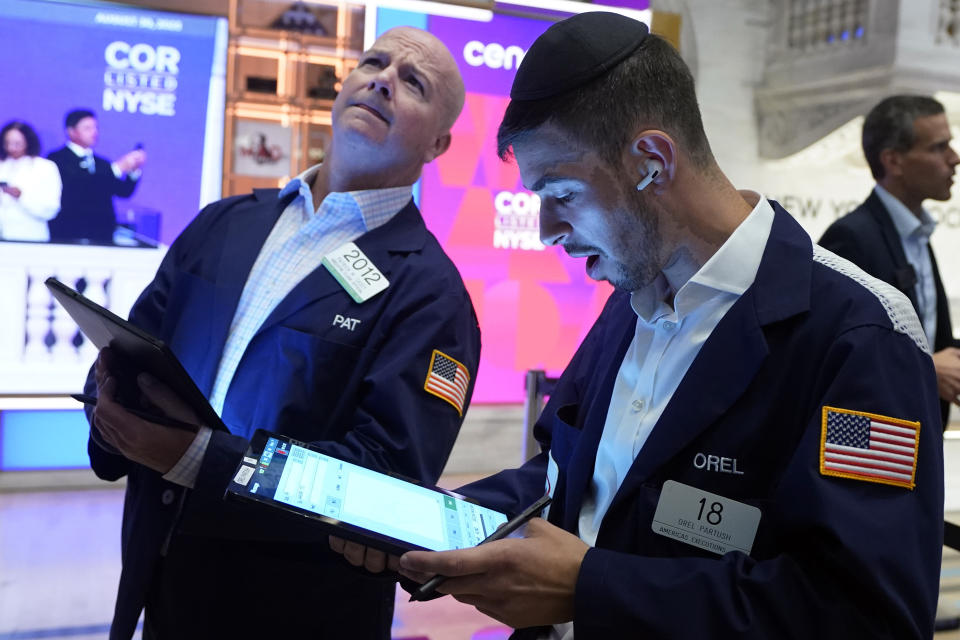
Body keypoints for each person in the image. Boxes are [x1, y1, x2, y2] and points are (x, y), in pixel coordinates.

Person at [335, 12, 944, 639]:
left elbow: (867, 616)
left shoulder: (860, 338)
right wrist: (438, 519)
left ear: (651, 160)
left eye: (562, 194)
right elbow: (567, 477)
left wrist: (591, 587)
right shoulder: (632, 301)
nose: (546, 230)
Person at [87, 27, 479, 640]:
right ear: (343, 85)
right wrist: (113, 407)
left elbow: (385, 487)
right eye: (374, 62)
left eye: (413, 82)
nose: (383, 79)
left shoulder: (430, 295)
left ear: (437, 144)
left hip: (298, 613)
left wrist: (199, 461)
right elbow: (135, 347)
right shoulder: (224, 224)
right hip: (160, 591)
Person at [820, 95, 960, 430]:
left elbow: (928, 337)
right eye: (939, 148)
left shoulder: (914, 234)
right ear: (894, 161)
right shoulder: (850, 237)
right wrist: (925, 366)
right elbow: (826, 349)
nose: (954, 158)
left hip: (919, 431)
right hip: (872, 444)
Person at [46, 108, 145, 244]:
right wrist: (118, 168)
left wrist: (133, 170)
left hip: (102, 234)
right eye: (87, 128)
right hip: (68, 232)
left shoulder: (102, 163)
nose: (94, 132)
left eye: (95, 127)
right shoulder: (56, 159)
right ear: (71, 131)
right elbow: (79, 186)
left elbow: (123, 191)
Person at [0, 120, 61, 241]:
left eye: (17, 143)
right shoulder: (2, 165)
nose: (11, 148)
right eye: (7, 143)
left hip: (31, 237)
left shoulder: (45, 167)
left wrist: (21, 196)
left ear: (28, 142)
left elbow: (51, 208)